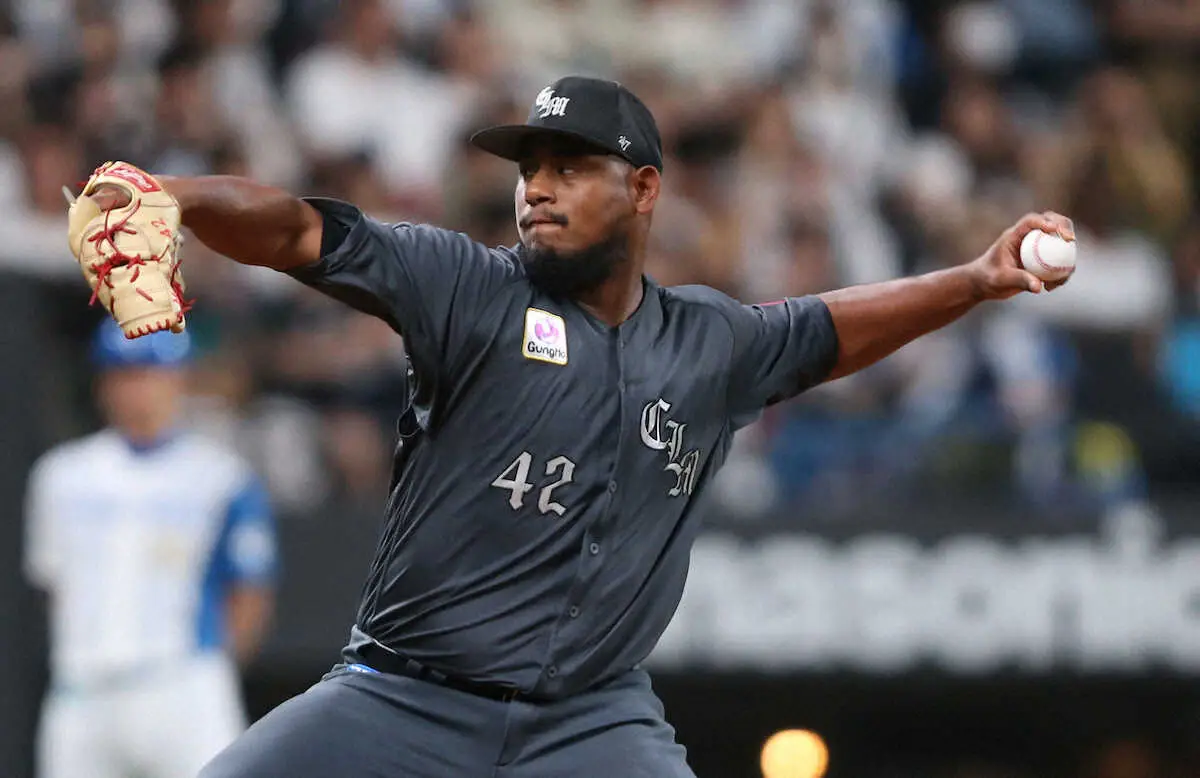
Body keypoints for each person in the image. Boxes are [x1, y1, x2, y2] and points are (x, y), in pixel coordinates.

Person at [80, 76, 1073, 778]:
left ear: (643, 188)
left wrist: (973, 280)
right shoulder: (469, 287)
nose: (538, 187)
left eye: (569, 166)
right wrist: (177, 197)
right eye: (530, 169)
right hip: (402, 700)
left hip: (591, 725)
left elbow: (826, 330)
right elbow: (300, 229)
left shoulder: (709, 342)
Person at [24, 321, 278, 778]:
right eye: (123, 374)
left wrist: (209, 674)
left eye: (150, 373)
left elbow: (250, 594)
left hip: (180, 682)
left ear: (179, 379)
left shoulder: (220, 477)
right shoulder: (61, 475)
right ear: (103, 383)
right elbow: (53, 584)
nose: (137, 389)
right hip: (85, 688)